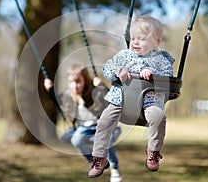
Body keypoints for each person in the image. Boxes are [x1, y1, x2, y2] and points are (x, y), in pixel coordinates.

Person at [88, 15, 175, 178]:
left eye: (141, 39)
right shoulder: (124, 55)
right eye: (133, 38)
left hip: (149, 101)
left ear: (155, 42)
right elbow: (108, 67)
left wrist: (152, 74)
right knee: (104, 122)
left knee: (158, 117)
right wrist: (119, 70)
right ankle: (99, 157)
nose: (135, 42)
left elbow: (168, 78)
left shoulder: (161, 60)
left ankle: (153, 151)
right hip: (120, 100)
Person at [44, 64, 123, 182]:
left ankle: (114, 167)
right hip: (83, 128)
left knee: (107, 141)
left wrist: (102, 87)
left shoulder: (94, 92)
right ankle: (95, 161)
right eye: (71, 82)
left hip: (99, 125)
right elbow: (57, 101)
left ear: (85, 80)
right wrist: (50, 89)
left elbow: (111, 99)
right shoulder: (68, 95)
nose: (74, 86)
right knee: (74, 139)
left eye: (78, 82)